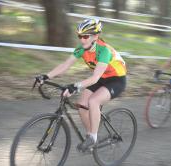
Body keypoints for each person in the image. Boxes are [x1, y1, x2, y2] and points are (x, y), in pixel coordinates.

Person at [37, 18, 127, 152]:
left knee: (94, 101)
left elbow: (95, 78)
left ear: (96, 36)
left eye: (85, 36)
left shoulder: (104, 51)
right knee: (82, 106)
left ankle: (93, 137)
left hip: (116, 80)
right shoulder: (82, 49)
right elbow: (65, 65)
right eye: (80, 36)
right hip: (102, 78)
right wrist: (46, 76)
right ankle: (90, 135)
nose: (82, 40)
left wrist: (75, 86)